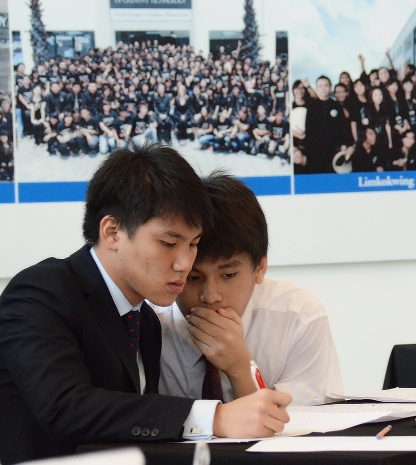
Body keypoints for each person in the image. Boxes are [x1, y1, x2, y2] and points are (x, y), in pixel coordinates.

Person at [0, 144, 291, 465]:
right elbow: (65, 408)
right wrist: (214, 417)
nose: (184, 263)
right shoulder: (41, 291)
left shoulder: (145, 320)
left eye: (193, 244)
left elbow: (133, 428)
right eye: (168, 243)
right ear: (112, 232)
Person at [154, 173, 342, 406]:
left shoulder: (298, 316)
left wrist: (241, 369)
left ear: (260, 266)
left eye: (228, 275)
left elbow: (306, 428)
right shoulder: (147, 318)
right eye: (193, 277)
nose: (211, 296)